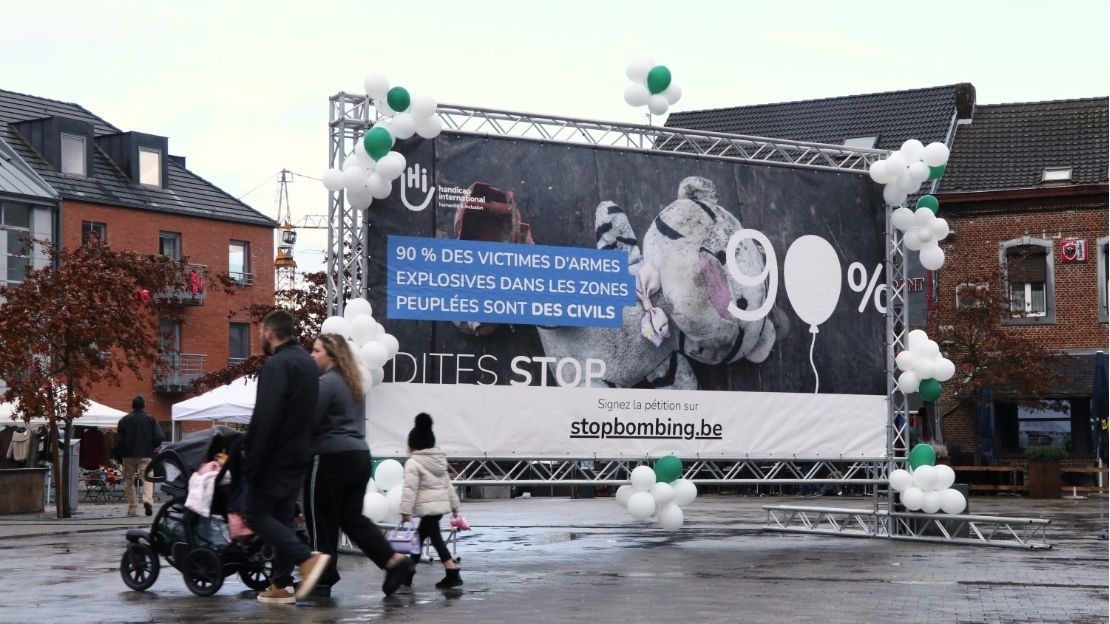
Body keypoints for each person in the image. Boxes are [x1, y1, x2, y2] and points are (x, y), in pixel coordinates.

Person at [302, 333, 415, 597]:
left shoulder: (326, 383)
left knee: (319, 517)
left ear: (331, 355)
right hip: (358, 455)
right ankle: (394, 561)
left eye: (316, 350)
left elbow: (309, 423)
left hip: (329, 457)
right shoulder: (352, 384)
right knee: (352, 518)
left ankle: (321, 578)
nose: (312, 355)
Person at [242, 310, 330, 604]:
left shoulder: (277, 365)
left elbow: (266, 418)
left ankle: (306, 559)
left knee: (254, 513)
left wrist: (252, 463)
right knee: (282, 517)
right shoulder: (307, 364)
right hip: (300, 454)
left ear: (269, 332)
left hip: (274, 457)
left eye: (259, 333)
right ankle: (281, 584)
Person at [399, 413, 463, 590]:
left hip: (428, 509)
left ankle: (451, 572)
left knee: (432, 540)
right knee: (422, 539)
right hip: (439, 507)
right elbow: (448, 484)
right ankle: (409, 574)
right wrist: (454, 505)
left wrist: (405, 511)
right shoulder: (439, 460)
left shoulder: (413, 463)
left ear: (412, 444)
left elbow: (409, 489)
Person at [112, 395, 164, 517]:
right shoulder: (150, 419)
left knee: (128, 481)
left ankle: (132, 507)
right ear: (144, 405)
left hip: (128, 455)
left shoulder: (124, 420)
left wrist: (120, 453)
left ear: (132, 406)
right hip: (146, 454)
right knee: (147, 478)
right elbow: (159, 436)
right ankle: (147, 501)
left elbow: (118, 441)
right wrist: (153, 447)